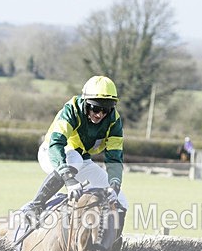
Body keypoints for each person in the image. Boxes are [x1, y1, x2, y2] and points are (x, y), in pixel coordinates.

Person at [21, 75, 128, 225]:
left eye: (106, 110)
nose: (100, 114)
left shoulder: (114, 120)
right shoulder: (71, 110)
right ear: (85, 103)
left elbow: (114, 157)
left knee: (121, 200)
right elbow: (56, 144)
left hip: (82, 160)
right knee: (74, 159)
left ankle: (112, 246)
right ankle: (35, 205)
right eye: (96, 108)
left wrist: (114, 185)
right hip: (52, 154)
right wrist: (69, 180)